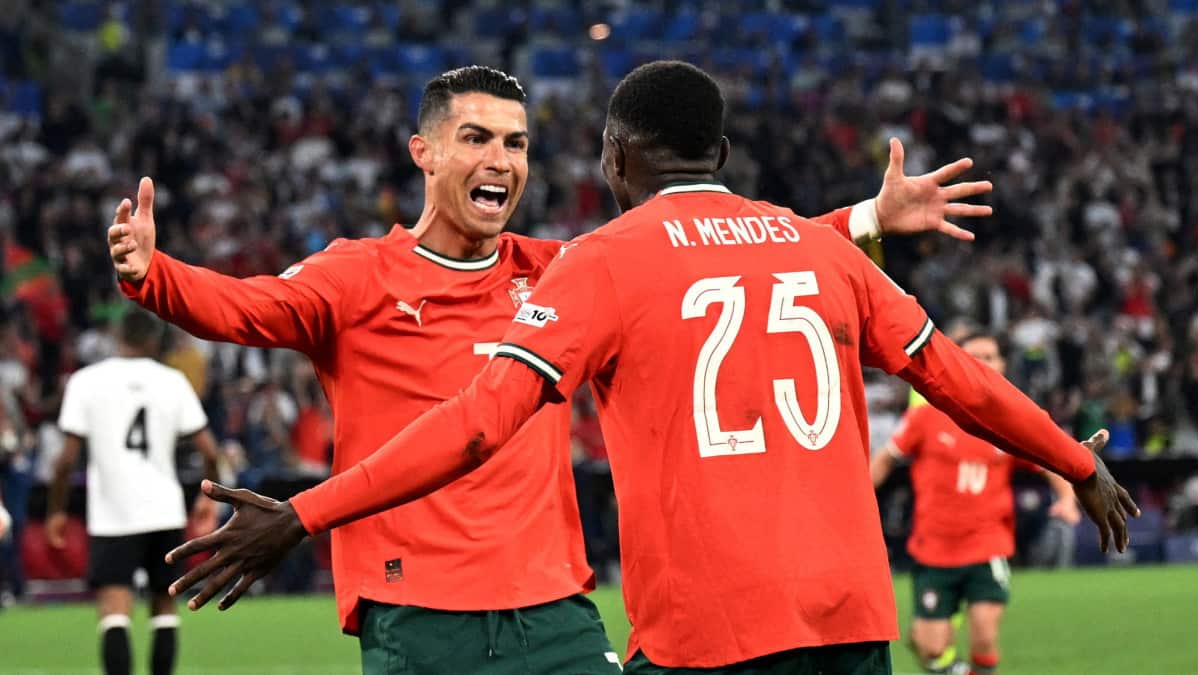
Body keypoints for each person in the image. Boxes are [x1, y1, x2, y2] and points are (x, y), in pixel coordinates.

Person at [164, 61, 1139, 674]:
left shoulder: (601, 264)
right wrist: (1074, 458)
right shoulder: (816, 249)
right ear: (722, 150)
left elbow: (477, 421)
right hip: (849, 625)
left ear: (613, 158)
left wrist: (304, 514)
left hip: (707, 634)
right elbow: (958, 379)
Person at [869, 331, 1082, 675]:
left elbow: (1049, 461)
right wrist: (860, 499)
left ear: (1002, 365)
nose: (983, 364)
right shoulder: (925, 416)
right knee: (930, 649)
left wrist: (1067, 499)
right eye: (974, 357)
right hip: (934, 549)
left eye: (989, 357)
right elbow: (885, 459)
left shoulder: (1010, 421)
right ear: (958, 363)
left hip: (987, 545)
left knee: (984, 634)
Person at [46, 309, 220, 675]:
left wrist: (56, 510)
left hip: (113, 515)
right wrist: (208, 499)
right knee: (164, 610)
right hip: (165, 511)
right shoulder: (172, 381)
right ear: (154, 340)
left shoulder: (86, 381)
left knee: (114, 612)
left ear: (117, 336)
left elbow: (65, 461)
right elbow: (210, 451)